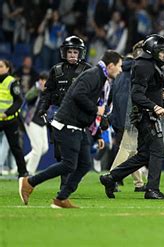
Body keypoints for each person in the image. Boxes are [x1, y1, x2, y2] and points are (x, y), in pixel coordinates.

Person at [19, 50, 123, 208]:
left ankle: (62, 198)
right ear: (110, 66)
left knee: (84, 164)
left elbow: (91, 106)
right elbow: (77, 95)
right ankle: (29, 182)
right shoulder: (93, 75)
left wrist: (98, 135)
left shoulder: (101, 78)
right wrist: (96, 109)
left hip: (78, 125)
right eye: (119, 66)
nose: (121, 70)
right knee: (69, 164)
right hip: (67, 123)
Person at [100, 34, 164, 200]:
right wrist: (155, 106)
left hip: (147, 115)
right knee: (158, 151)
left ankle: (111, 178)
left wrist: (160, 95)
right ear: (152, 50)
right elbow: (136, 94)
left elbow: (146, 90)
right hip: (146, 116)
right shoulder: (144, 65)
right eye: (161, 51)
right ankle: (152, 189)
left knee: (144, 154)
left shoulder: (151, 64)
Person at [36, 36, 91, 188]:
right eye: (70, 52)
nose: (72, 55)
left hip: (78, 118)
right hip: (59, 116)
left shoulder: (87, 70)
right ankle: (65, 184)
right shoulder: (56, 70)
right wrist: (42, 108)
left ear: (81, 53)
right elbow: (47, 93)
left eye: (75, 52)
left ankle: (69, 183)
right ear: (64, 53)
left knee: (79, 155)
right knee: (61, 153)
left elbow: (95, 94)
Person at [108, 41, 146, 192]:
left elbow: (113, 95)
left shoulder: (122, 70)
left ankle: (139, 183)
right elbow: (126, 98)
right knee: (126, 148)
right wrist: (131, 119)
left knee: (133, 151)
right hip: (129, 116)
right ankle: (111, 178)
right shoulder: (135, 70)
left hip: (119, 115)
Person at [0, 59, 28, 178]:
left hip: (10, 120)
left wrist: (7, 113)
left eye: (1, 66)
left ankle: (23, 173)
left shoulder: (12, 82)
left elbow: (19, 100)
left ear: (7, 68)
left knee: (15, 147)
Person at [24, 72, 49, 174]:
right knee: (37, 149)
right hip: (32, 120)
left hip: (42, 122)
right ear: (41, 80)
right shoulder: (36, 89)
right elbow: (27, 97)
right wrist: (38, 88)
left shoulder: (49, 91)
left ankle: (22, 161)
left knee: (44, 148)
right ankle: (29, 173)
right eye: (44, 80)